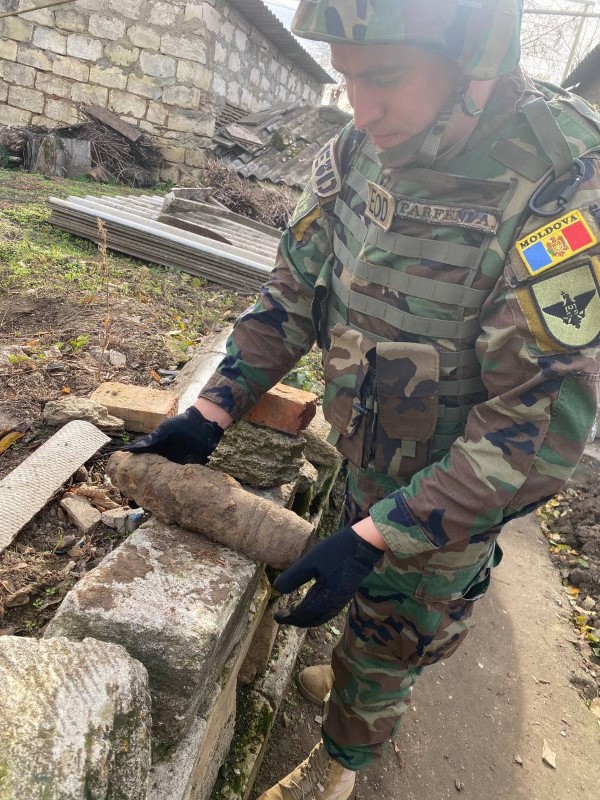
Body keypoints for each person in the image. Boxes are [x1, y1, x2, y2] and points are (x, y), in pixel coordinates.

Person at [128, 1, 600, 797]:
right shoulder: (357, 148)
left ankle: (343, 762)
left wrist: (386, 533)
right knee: (365, 604)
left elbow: (535, 429)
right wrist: (213, 408)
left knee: (398, 631)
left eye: (384, 77)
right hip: (367, 444)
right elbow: (291, 295)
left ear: (472, 65)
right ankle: (356, 674)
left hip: (455, 492)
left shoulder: (562, 182)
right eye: (347, 79)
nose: (361, 108)